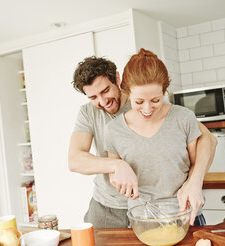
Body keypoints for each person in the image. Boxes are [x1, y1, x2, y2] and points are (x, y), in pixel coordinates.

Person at [69, 55, 217, 228]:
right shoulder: (89, 113)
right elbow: (75, 160)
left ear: (118, 79)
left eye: (105, 91)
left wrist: (194, 181)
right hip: (109, 204)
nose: (102, 101)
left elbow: (206, 138)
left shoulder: (146, 99)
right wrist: (117, 166)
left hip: (163, 208)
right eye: (93, 97)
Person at [104, 48, 212, 225]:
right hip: (141, 220)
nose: (147, 109)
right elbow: (113, 173)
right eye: (139, 102)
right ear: (127, 93)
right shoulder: (114, 129)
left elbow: (195, 164)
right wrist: (117, 179)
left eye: (155, 100)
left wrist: (194, 184)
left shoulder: (183, 118)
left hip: (185, 216)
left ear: (165, 91)